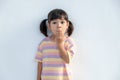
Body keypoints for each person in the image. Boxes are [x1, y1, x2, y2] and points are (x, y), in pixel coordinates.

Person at [35, 8, 75, 80]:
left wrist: (60, 44)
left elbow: (67, 60)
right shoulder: (44, 43)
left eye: (62, 22)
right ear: (49, 26)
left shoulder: (68, 42)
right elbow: (40, 63)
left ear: (67, 24)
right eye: (54, 23)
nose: (58, 25)